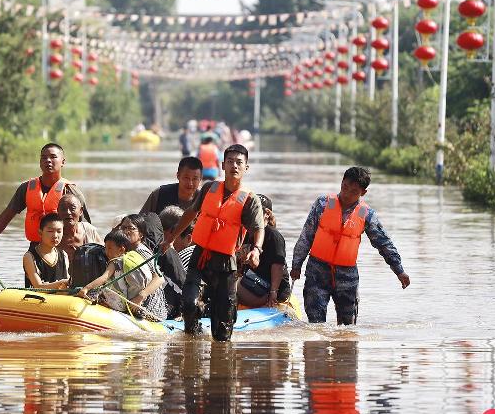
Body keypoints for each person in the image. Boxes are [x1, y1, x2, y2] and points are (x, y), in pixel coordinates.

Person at [163, 144, 263, 342]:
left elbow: (259, 229)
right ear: (223, 165)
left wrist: (256, 250)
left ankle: (220, 356)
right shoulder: (209, 188)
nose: (234, 165)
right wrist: (171, 238)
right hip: (200, 257)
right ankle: (192, 344)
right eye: (230, 162)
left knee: (222, 328)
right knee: (189, 304)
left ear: (246, 168)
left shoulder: (250, 200)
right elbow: (191, 213)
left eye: (239, 162)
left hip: (226, 264)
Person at [291, 166, 410, 325]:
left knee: (347, 330)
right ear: (341, 183)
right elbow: (306, 236)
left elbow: (384, 244)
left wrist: (399, 270)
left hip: (347, 277)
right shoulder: (322, 204)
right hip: (317, 273)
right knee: (315, 326)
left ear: (363, 193)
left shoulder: (367, 214)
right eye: (344, 187)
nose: (346, 194)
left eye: (354, 191)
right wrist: (296, 264)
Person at [0, 143, 90, 248]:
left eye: (53, 157)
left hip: (63, 248)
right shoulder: (26, 188)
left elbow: (86, 227)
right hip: (35, 248)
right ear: (40, 162)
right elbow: (7, 215)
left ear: (63, 162)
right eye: (44, 158)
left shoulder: (71, 191)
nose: (48, 160)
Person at [79, 229, 167, 319]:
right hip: (134, 302)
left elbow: (104, 278)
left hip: (121, 303)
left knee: (94, 295)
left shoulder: (115, 262)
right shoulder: (135, 257)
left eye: (109, 248)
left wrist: (86, 288)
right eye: (105, 248)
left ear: (121, 249)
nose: (106, 252)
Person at [237, 194, 291, 308]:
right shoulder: (246, 233)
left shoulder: (273, 236)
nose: (250, 214)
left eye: (254, 211)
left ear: (267, 214)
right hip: (253, 281)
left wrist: (273, 293)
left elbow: (278, 265)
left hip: (269, 288)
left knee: (227, 286)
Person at [23, 213, 70, 290]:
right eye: (50, 231)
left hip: (61, 300)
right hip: (37, 299)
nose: (55, 235)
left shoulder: (63, 255)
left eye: (59, 231)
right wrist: (62, 282)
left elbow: (67, 282)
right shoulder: (29, 257)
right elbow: (38, 286)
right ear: (40, 233)